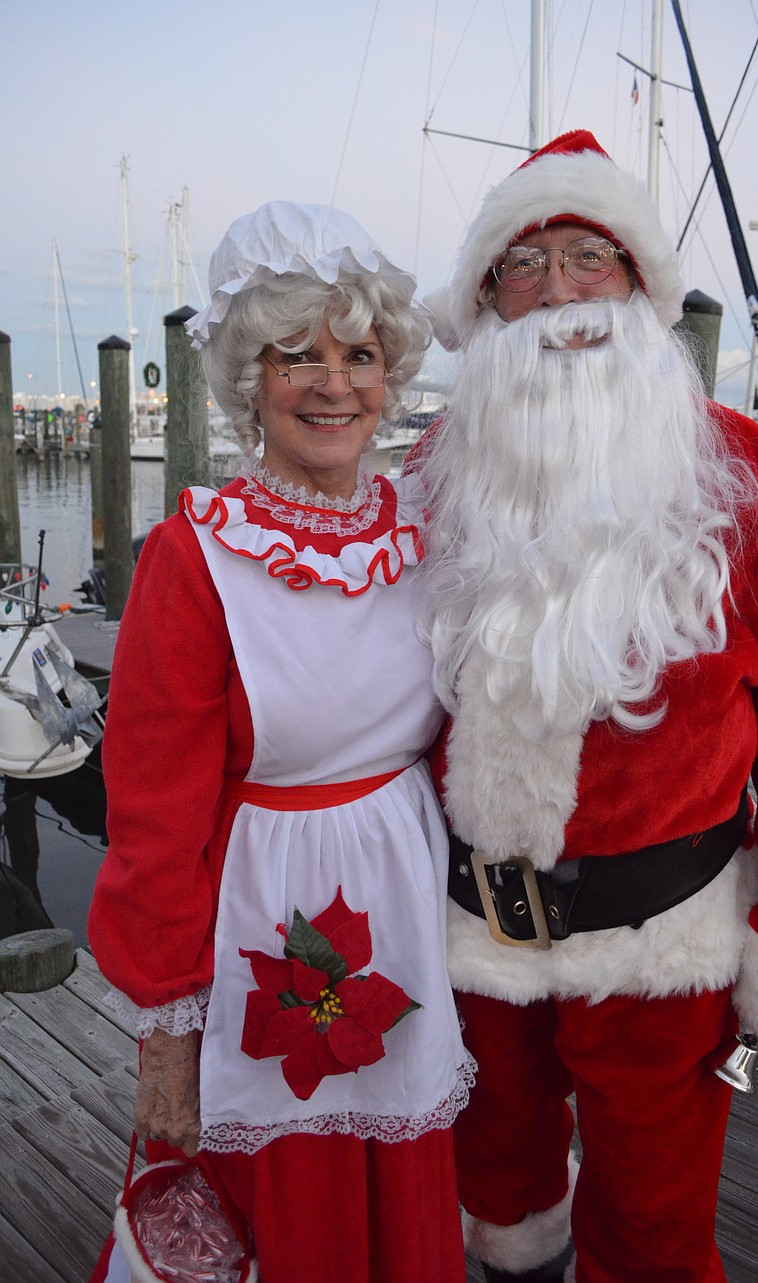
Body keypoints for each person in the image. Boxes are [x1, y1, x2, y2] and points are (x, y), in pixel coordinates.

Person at [413, 130, 758, 1283]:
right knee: (493, 1196)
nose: (558, 293)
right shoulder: (431, 477)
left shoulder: (740, 468)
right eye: (523, 264)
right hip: (472, 939)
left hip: (664, 944)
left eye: (588, 255)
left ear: (641, 283)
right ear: (486, 303)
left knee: (652, 1227)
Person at [87, 201, 474, 1283]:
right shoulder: (193, 557)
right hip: (263, 921)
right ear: (248, 378)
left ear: (392, 372)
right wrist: (168, 1028)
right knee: (284, 1205)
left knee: (402, 1194)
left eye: (359, 353)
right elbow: (152, 818)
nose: (333, 382)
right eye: (295, 355)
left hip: (403, 904)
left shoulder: (422, 527)